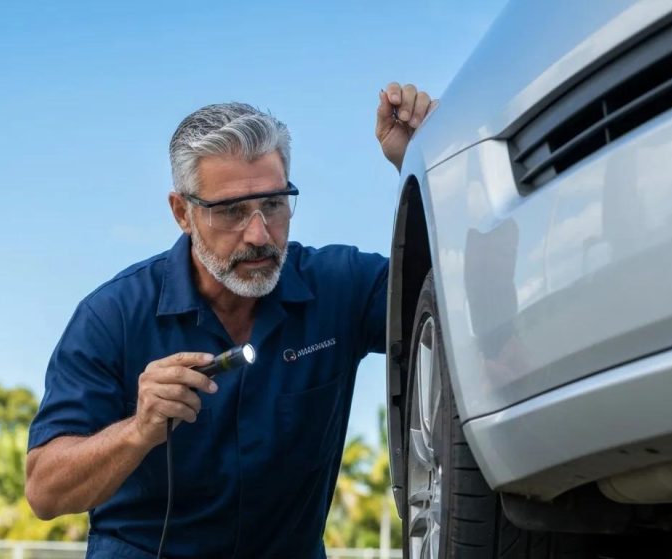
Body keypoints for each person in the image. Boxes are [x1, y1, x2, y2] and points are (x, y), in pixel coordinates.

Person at [25, 83, 435, 558]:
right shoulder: (111, 316)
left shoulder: (340, 285)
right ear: (182, 212)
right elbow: (45, 491)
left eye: (275, 205)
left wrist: (423, 163)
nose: (259, 234)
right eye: (232, 211)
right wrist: (138, 430)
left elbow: (462, 297)